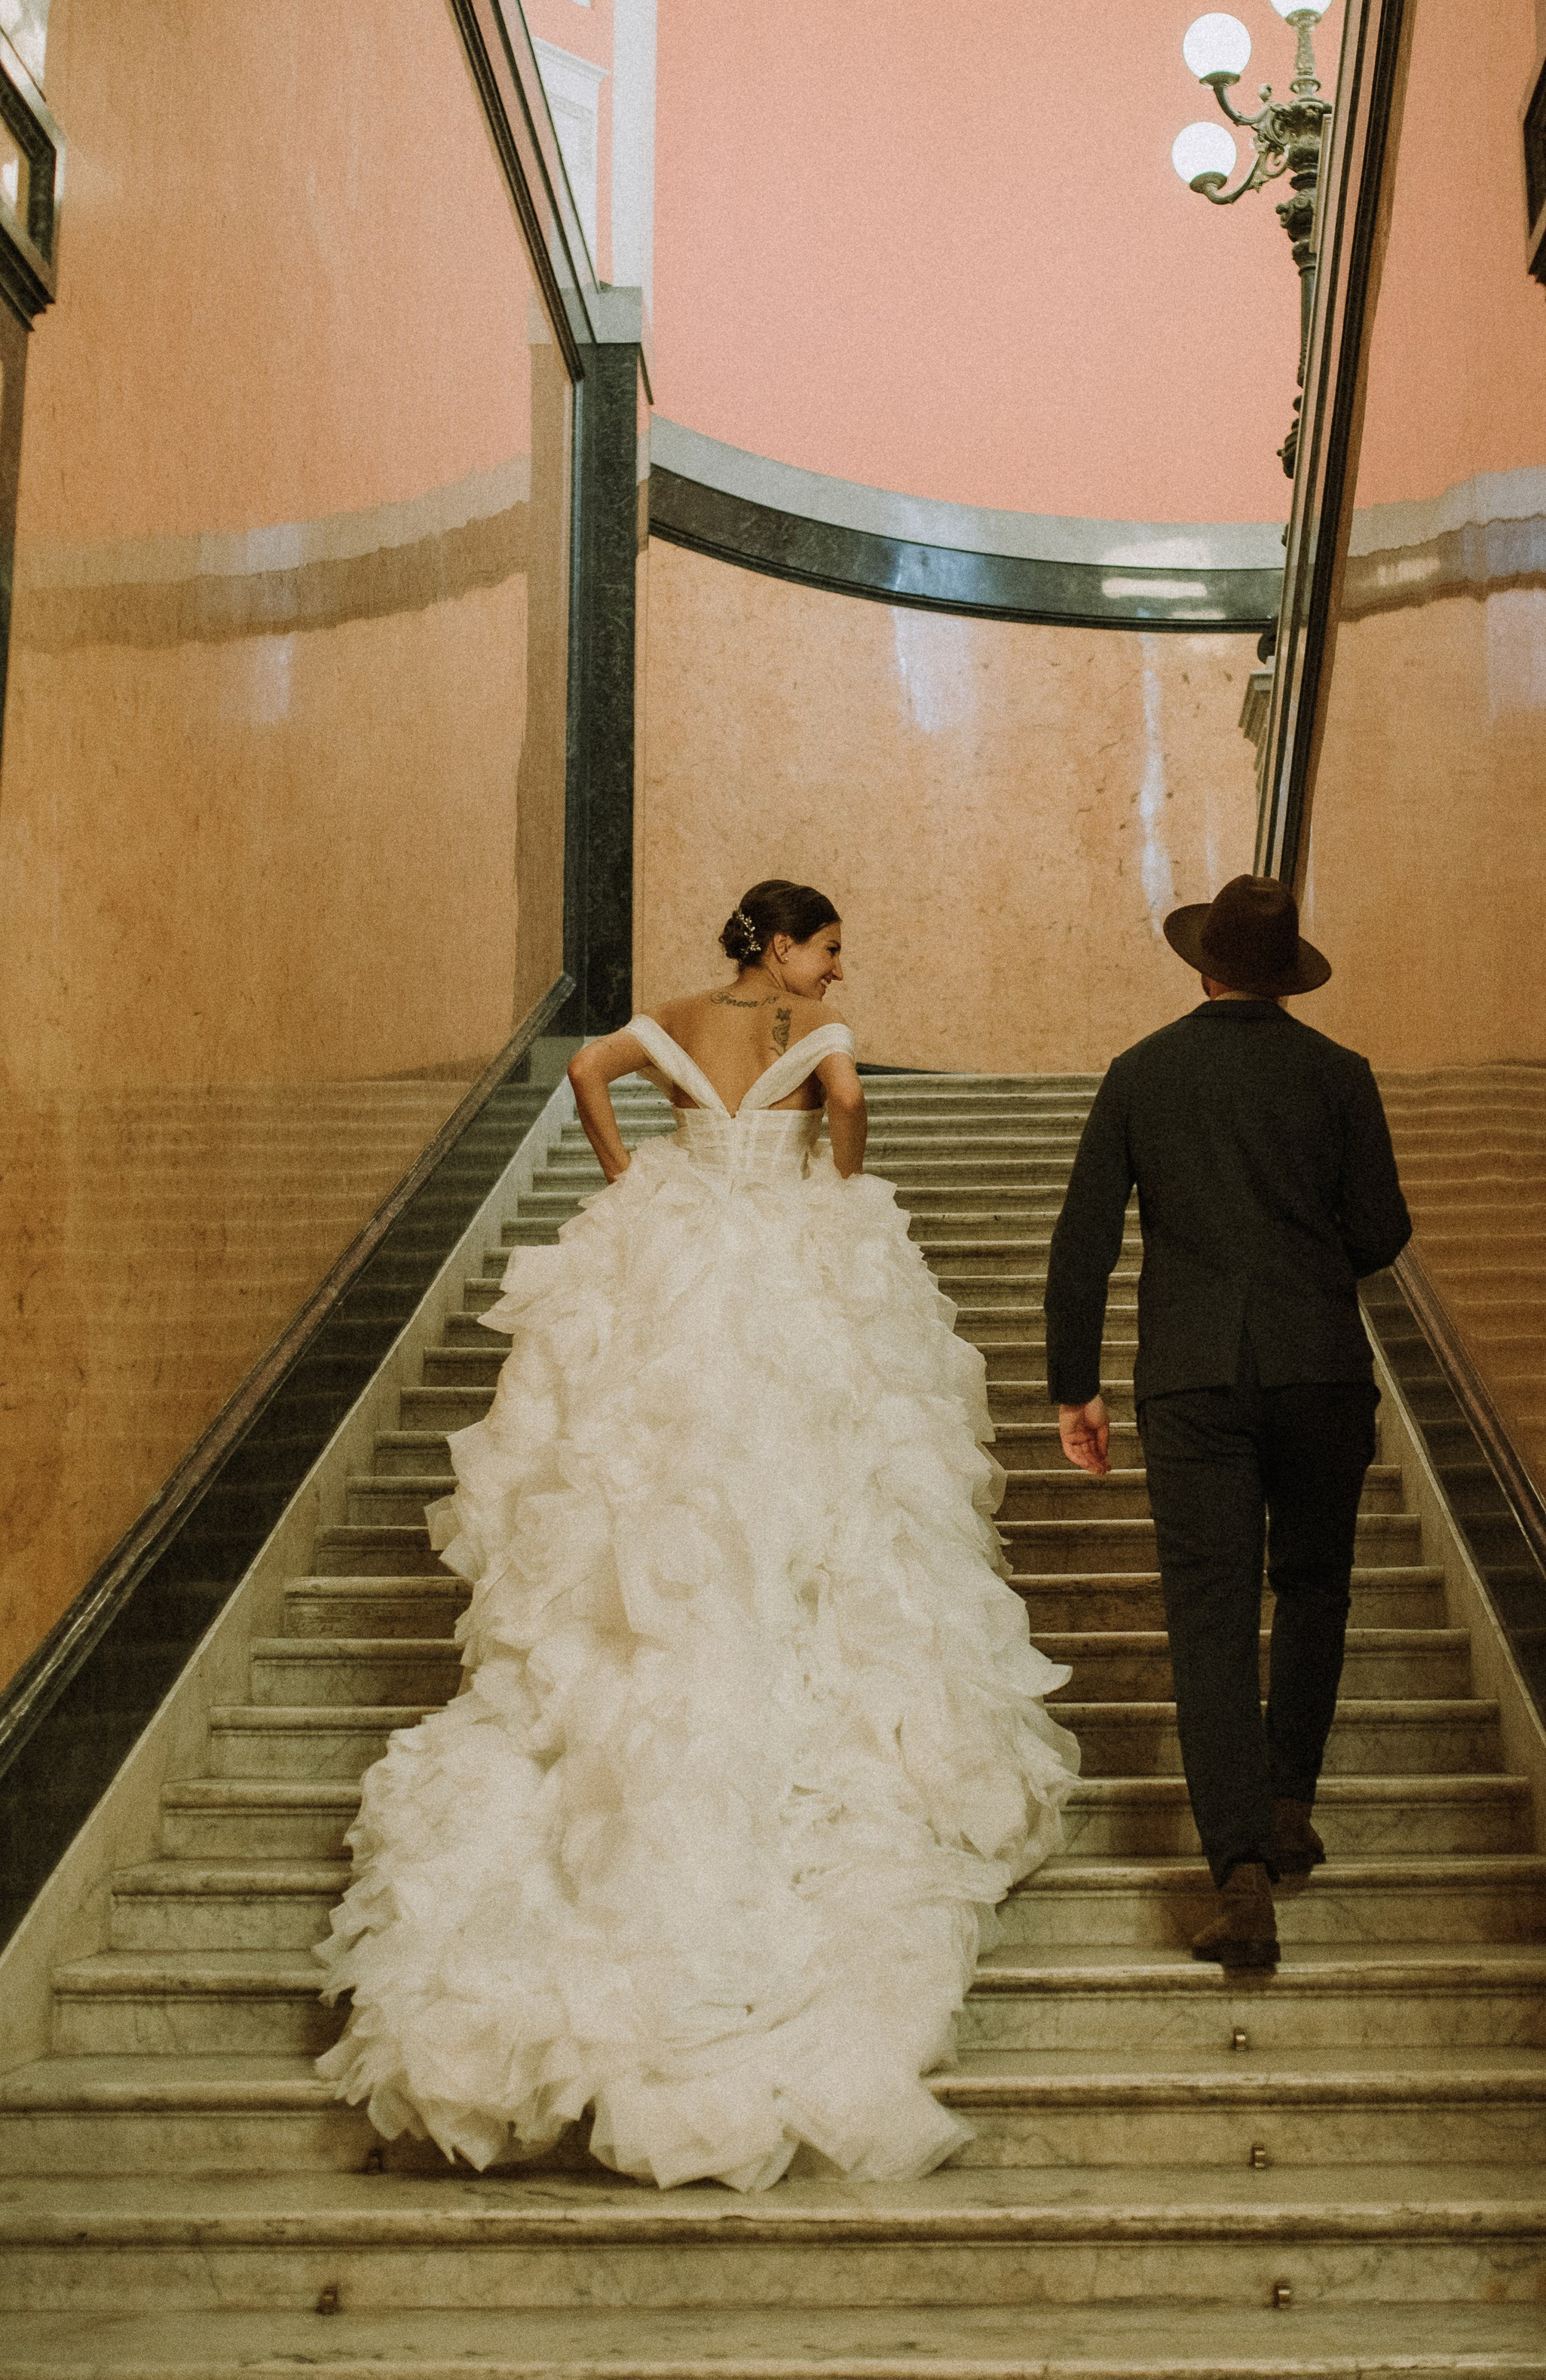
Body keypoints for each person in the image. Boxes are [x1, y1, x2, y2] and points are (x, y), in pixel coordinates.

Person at [317, 880, 1077, 2189]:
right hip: (781, 1246)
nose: (839, 968)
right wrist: (837, 1187)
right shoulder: (818, 1041)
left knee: (663, 1460)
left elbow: (592, 1077)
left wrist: (632, 1169)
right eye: (831, 945)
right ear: (781, 945)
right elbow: (843, 1111)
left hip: (675, 1251)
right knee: (813, 1471)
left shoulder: (666, 1018)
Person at [1044, 873, 1410, 1973]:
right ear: (1283, 975)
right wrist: (1303, 1271)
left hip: (1193, 1380)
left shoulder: (1141, 1075)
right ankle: (1291, 1802)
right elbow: (1382, 1228)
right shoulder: (1340, 1077)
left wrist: (1077, 1386)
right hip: (1319, 1374)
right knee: (1313, 1585)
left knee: (1207, 1617)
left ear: (1203, 967)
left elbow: (1083, 1244)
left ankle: (1241, 1873)